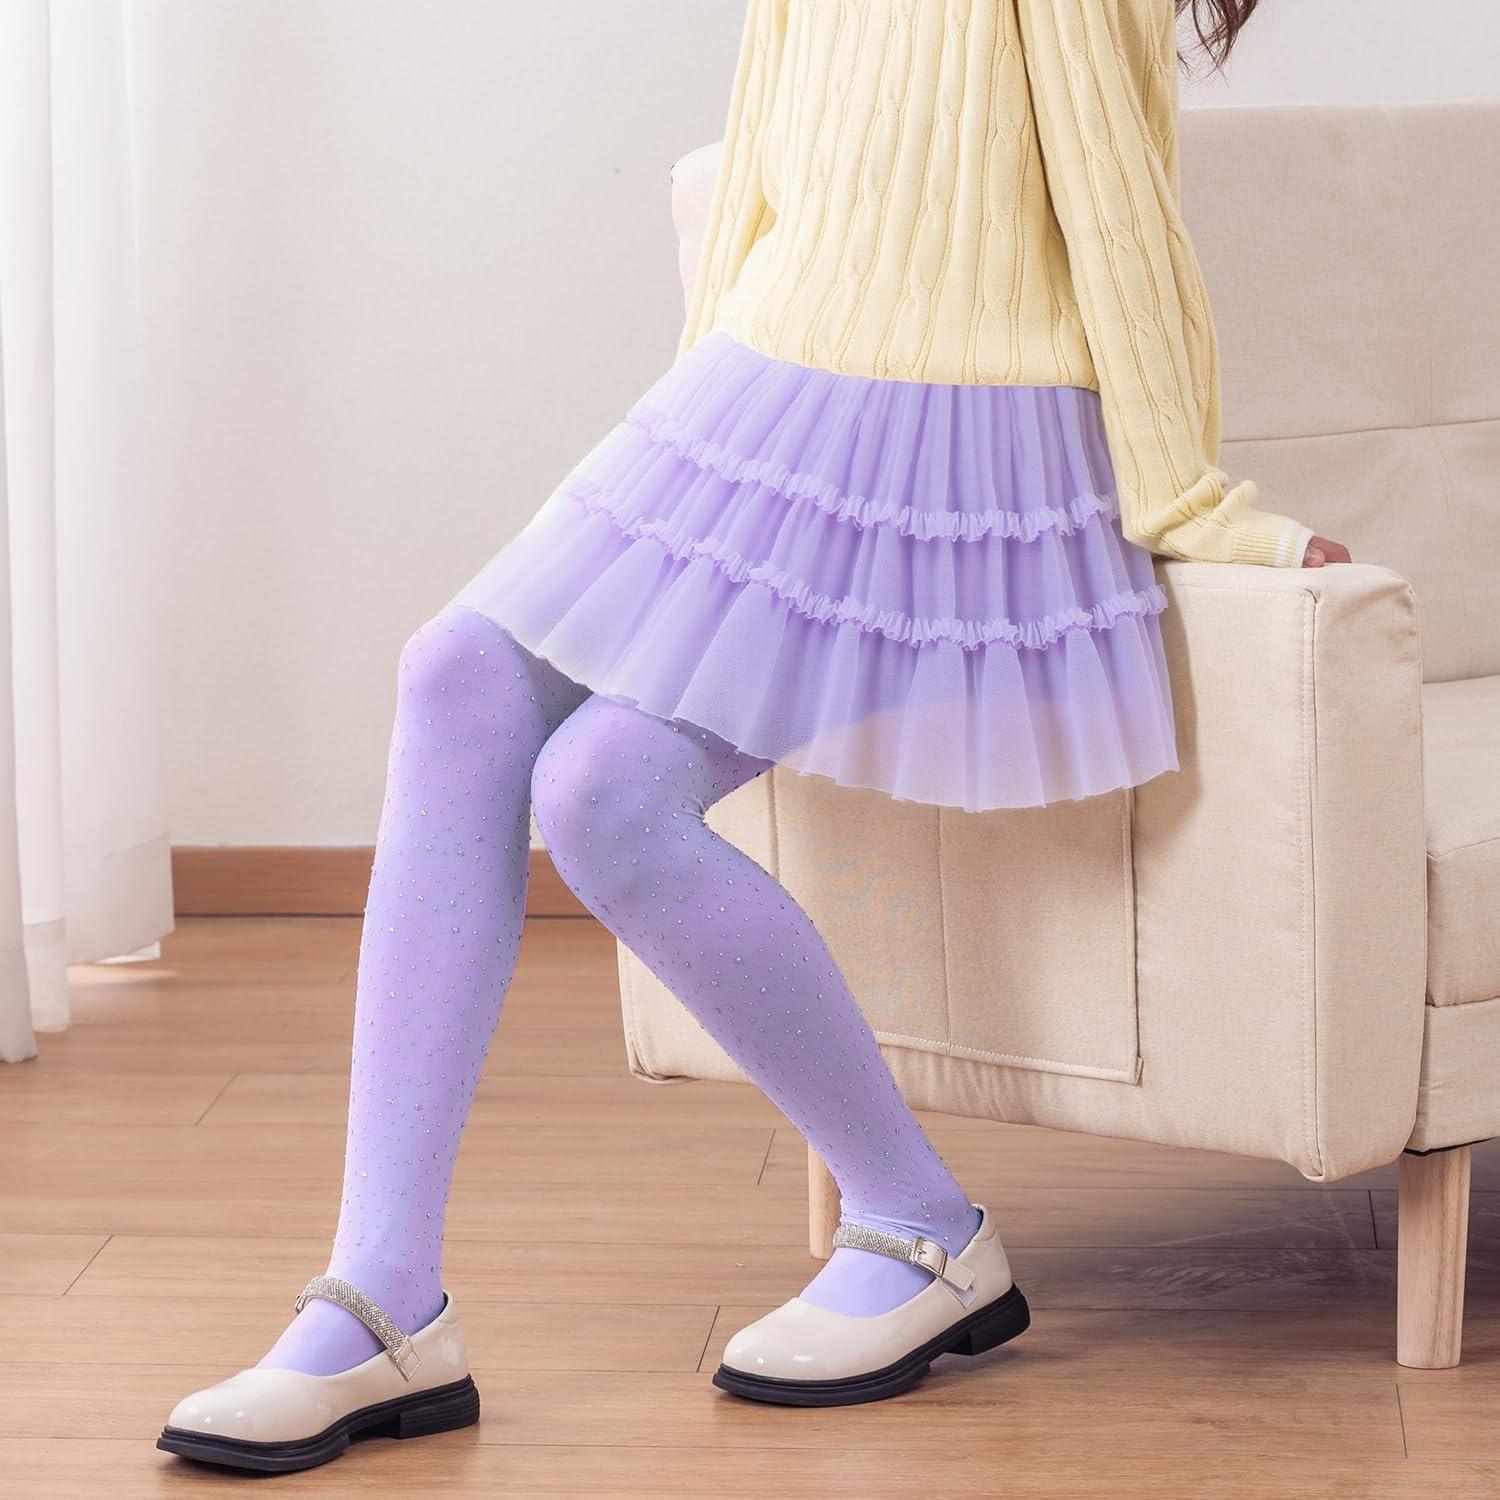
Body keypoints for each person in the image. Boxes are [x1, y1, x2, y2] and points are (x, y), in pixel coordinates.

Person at [159, 0, 1351, 1472]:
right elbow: (770, 150)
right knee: (456, 678)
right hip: (766, 382)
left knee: (604, 794)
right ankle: (380, 1295)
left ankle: (915, 1224)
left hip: (958, 419)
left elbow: (1121, 201)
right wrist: (693, 435)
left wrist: (1190, 502)